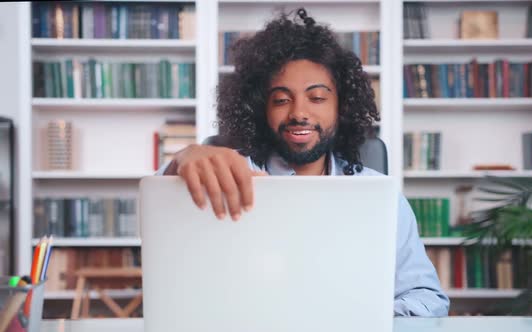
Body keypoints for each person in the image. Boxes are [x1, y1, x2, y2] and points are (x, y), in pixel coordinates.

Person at [159, 8, 449, 316]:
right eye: (281, 100)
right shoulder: (228, 179)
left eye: (317, 98)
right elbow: (162, 231)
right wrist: (182, 160)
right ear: (261, 109)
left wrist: (367, 319)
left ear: (342, 107)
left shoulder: (381, 197)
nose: (299, 113)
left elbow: (426, 296)